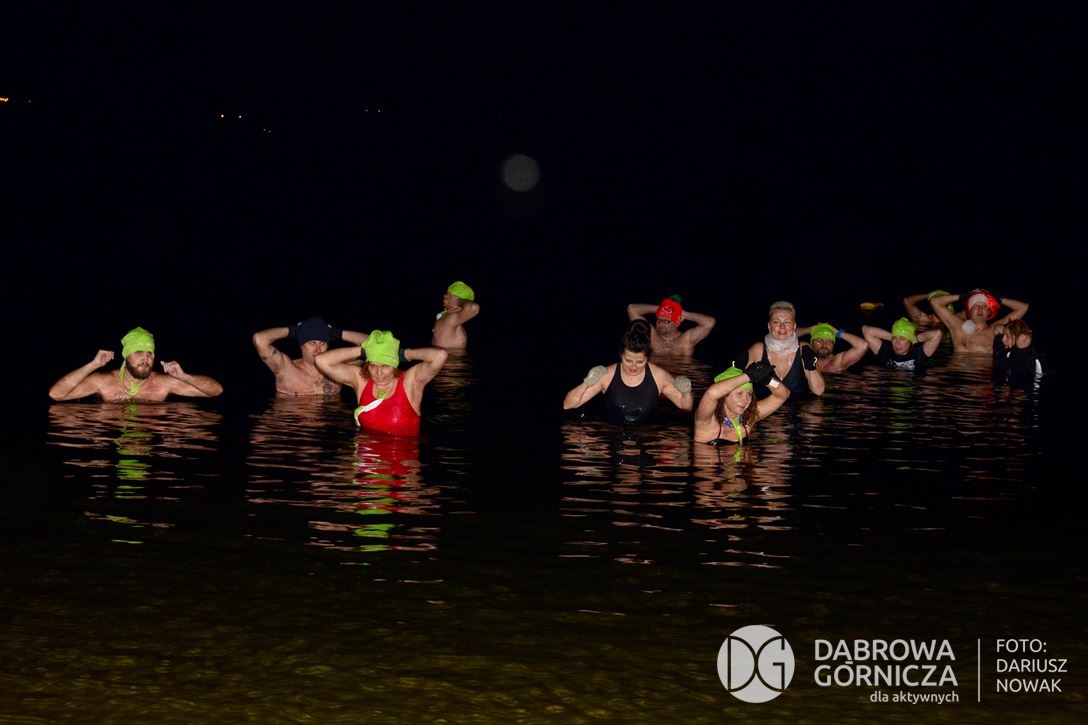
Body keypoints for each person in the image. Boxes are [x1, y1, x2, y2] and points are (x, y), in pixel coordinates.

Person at [315, 329, 448, 437]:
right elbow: (321, 361)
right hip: (366, 459)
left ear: (395, 365)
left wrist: (405, 354)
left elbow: (440, 355)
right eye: (373, 366)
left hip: (401, 461)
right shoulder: (361, 381)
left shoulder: (410, 382)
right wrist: (363, 350)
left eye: (385, 366)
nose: (378, 373)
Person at [563, 319, 693, 425]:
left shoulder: (659, 376)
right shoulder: (607, 375)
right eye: (628, 360)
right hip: (611, 435)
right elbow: (568, 405)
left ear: (647, 358)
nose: (633, 366)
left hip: (646, 436)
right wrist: (586, 383)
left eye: (640, 362)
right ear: (621, 355)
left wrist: (686, 392)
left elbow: (686, 406)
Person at [48, 327, 224, 403]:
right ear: (126, 356)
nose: (145, 358)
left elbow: (216, 391)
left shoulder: (163, 383)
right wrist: (93, 365)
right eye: (138, 352)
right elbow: (56, 394)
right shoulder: (105, 381)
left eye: (149, 353)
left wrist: (184, 377)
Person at [252, 316, 368, 397]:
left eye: (322, 343)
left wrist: (337, 333)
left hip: (329, 423)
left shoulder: (336, 370)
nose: (318, 349)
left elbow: (371, 345)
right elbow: (260, 339)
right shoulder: (286, 369)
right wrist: (292, 331)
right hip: (290, 424)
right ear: (301, 345)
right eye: (312, 343)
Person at [737, 300, 824, 398]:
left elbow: (819, 391)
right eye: (776, 322)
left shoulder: (804, 349)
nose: (782, 327)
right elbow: (735, 384)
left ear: (794, 326)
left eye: (787, 322)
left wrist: (811, 368)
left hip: (800, 407)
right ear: (769, 326)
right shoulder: (758, 350)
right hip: (764, 407)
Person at [693, 362, 790, 445]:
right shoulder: (706, 420)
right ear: (724, 395)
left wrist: (768, 380)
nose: (745, 399)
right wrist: (748, 376)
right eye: (739, 393)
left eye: (749, 394)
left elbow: (783, 395)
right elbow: (711, 393)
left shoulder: (748, 418)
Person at [929, 289, 1029, 354]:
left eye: (984, 306)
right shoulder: (957, 326)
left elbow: (1023, 307)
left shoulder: (996, 329)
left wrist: (999, 299)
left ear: (989, 311)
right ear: (969, 310)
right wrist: (960, 296)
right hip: (958, 375)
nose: (980, 309)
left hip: (984, 377)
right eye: (976, 306)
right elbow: (934, 302)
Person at [626, 295, 716, 356]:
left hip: (682, 375)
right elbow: (632, 308)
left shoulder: (687, 339)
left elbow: (709, 322)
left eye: (666, 321)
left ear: (677, 322)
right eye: (659, 320)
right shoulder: (652, 336)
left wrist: (684, 314)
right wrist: (662, 308)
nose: (660, 324)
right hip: (657, 376)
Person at [861, 317, 943, 373]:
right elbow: (866, 330)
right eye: (895, 339)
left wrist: (916, 339)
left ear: (910, 341)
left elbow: (938, 333)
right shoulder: (886, 351)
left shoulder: (919, 354)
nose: (897, 342)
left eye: (902, 339)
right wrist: (893, 336)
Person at [797, 322, 870, 374]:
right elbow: (790, 337)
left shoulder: (837, 362)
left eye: (829, 342)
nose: (824, 345)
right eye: (819, 341)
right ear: (811, 342)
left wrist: (838, 333)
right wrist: (809, 329)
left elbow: (863, 345)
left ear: (833, 345)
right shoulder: (802, 356)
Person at [992, 318, 1045, 388]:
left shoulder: (1029, 357)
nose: (1003, 339)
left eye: (1007, 336)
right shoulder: (1008, 354)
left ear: (1016, 337)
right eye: (1003, 335)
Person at [432, 280, 481, 349]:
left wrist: (458, 301)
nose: (444, 296)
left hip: (451, 355)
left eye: (449, 295)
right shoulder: (446, 315)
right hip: (440, 354)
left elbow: (473, 307)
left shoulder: (453, 318)